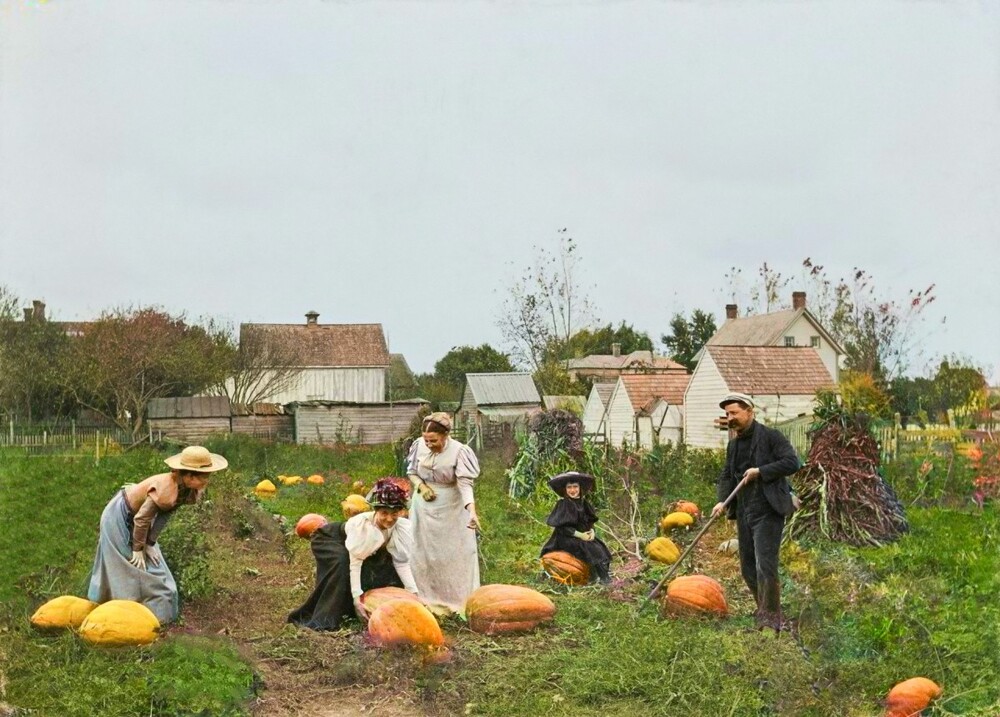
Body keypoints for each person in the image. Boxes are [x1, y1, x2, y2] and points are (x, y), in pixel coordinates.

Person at [87, 445, 228, 624]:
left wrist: (151, 543)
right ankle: (120, 616)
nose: (207, 481)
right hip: (119, 517)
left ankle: (154, 618)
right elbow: (142, 519)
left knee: (154, 566)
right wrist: (138, 548)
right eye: (204, 477)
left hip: (139, 523)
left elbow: (163, 515)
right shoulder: (165, 487)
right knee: (128, 566)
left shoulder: (185, 489)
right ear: (190, 476)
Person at [711, 393, 800, 632]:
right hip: (744, 510)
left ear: (749, 411)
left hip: (768, 509)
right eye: (727, 414)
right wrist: (721, 502)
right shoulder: (733, 444)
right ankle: (764, 608)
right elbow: (727, 476)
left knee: (765, 565)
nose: (730, 418)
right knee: (747, 567)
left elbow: (793, 462)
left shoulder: (771, 437)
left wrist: (760, 471)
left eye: (734, 413)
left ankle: (771, 617)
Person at [288, 479, 418, 631]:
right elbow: (355, 563)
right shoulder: (364, 527)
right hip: (333, 539)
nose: (389, 519)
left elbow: (401, 562)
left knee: (385, 566)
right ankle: (326, 618)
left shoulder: (400, 527)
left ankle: (352, 608)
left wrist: (414, 594)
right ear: (376, 510)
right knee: (342, 565)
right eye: (384, 513)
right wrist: (357, 601)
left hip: (355, 546)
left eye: (394, 513)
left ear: (400, 512)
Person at [405, 412, 481, 612]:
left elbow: (465, 485)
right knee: (422, 552)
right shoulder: (418, 445)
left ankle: (457, 602)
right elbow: (411, 472)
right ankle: (424, 599)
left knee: (454, 553)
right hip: (423, 507)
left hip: (452, 508)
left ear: (446, 435)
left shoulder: (459, 452)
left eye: (434, 441)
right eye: (426, 440)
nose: (429, 444)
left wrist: (471, 511)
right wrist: (421, 487)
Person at [540, 471, 612, 584]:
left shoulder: (584, 503)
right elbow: (562, 528)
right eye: (569, 487)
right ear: (565, 489)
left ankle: (599, 575)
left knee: (600, 547)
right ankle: (599, 578)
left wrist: (591, 532)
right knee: (589, 548)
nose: (572, 490)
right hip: (565, 538)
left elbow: (589, 522)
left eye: (575, 487)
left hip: (582, 536)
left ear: (580, 488)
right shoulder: (564, 504)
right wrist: (580, 535)